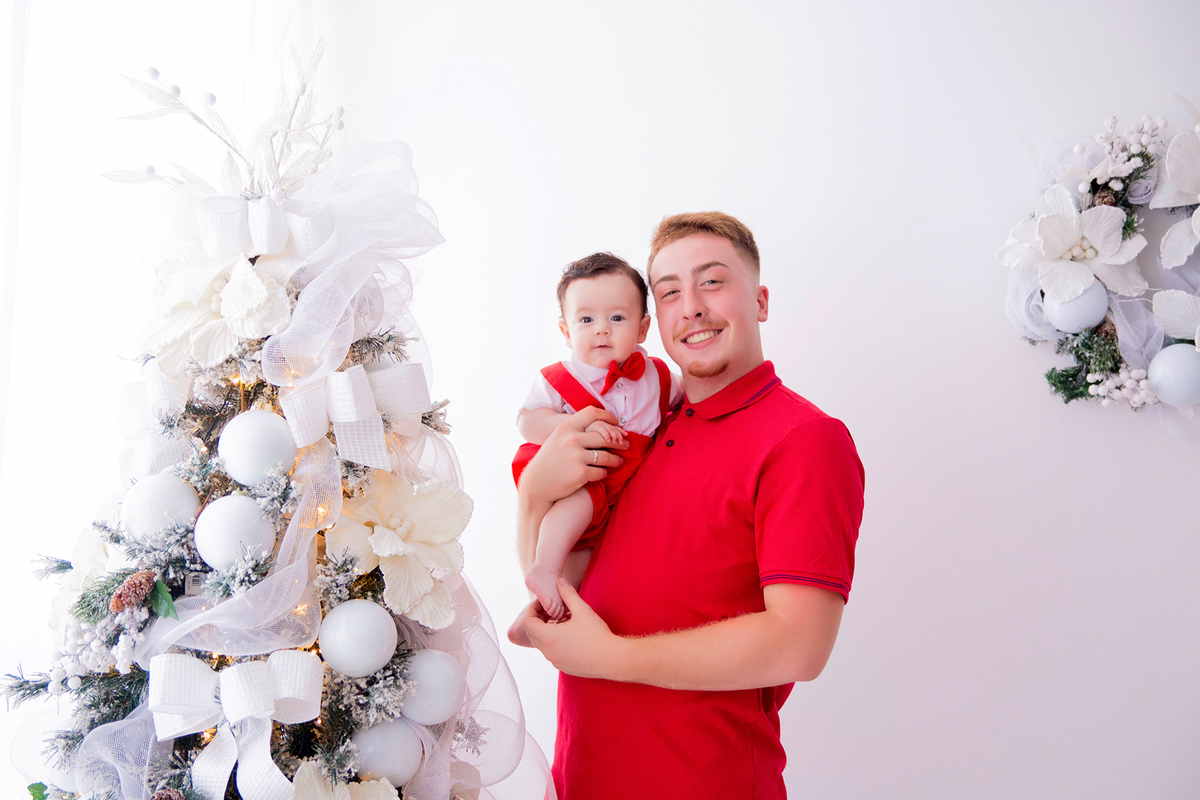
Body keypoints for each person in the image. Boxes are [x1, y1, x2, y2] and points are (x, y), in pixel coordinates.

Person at [515, 212, 865, 798]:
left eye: (712, 281)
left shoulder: (804, 439)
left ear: (761, 300)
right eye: (670, 291)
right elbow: (558, 590)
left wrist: (610, 658)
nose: (691, 306)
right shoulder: (643, 430)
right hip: (580, 778)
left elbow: (801, 645)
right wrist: (531, 496)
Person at [511, 253, 682, 624]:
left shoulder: (656, 377)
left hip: (629, 488)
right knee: (575, 512)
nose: (601, 329)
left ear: (642, 328)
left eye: (616, 318)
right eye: (586, 319)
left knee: (602, 577)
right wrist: (574, 427)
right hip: (583, 474)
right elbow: (528, 421)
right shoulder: (559, 378)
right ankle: (543, 572)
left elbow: (690, 400)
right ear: (566, 331)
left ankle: (548, 617)